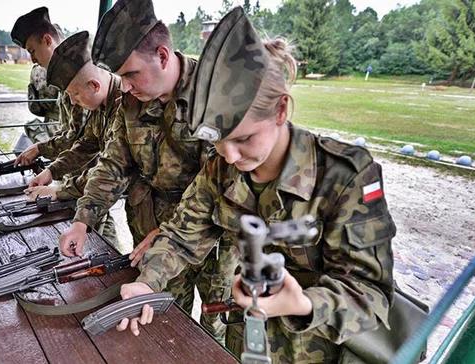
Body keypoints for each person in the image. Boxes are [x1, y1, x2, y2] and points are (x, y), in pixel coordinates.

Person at [116, 8, 396, 363]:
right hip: (244, 342)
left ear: (280, 112)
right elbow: (181, 236)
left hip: (317, 349)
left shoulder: (346, 176)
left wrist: (304, 302)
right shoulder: (220, 170)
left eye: (244, 139)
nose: (230, 156)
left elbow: (371, 296)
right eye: (218, 141)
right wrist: (147, 282)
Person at [56, 0, 238, 342]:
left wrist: (165, 233)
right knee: (165, 321)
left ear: (164, 57)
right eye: (120, 77)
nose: (123, 87)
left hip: (214, 238)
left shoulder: (213, 96)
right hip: (156, 225)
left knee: (216, 324)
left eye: (130, 74)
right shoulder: (132, 100)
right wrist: (83, 220)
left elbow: (220, 191)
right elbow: (114, 162)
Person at [24, 31, 121, 243]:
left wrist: (59, 191)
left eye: (74, 94)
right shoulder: (101, 105)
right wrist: (52, 171)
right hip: (101, 193)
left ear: (94, 85)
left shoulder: (124, 106)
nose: (74, 103)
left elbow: (112, 168)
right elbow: (87, 145)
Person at [10, 7, 86, 166]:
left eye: (32, 51)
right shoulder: (64, 73)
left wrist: (40, 149)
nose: (32, 59)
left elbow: (81, 139)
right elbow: (69, 132)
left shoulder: (77, 74)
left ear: (47, 40)